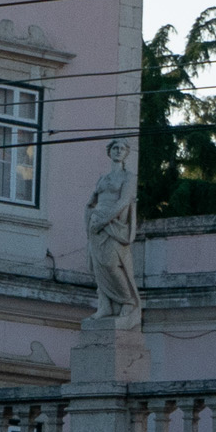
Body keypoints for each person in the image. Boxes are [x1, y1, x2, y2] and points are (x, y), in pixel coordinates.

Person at [86, 137, 142, 329]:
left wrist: (103, 220)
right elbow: (92, 201)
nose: (118, 151)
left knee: (110, 263)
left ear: (126, 153)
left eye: (122, 148)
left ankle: (127, 300)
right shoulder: (102, 178)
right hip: (97, 226)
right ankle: (105, 305)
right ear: (109, 152)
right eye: (115, 148)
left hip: (114, 225)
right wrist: (92, 216)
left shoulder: (128, 177)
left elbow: (124, 202)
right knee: (97, 266)